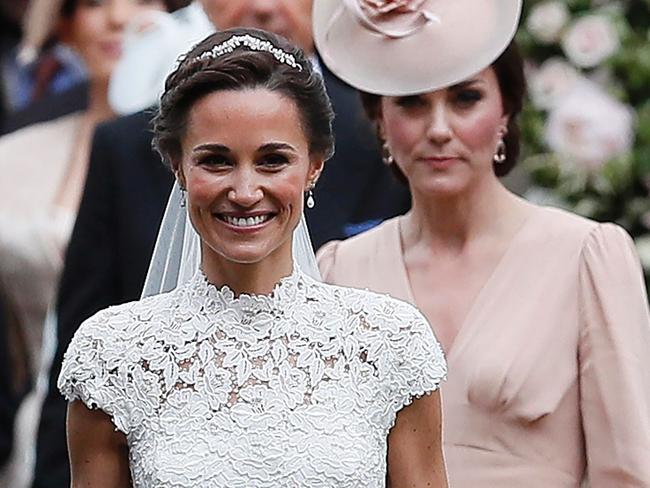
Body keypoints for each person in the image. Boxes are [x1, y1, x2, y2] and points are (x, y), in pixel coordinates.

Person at [33, 1, 411, 485]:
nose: (246, 191)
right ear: (178, 166)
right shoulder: (112, 354)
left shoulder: (390, 344)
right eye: (215, 161)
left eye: (274, 160)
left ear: (314, 164)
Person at [314, 1, 650, 486]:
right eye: (411, 101)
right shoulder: (341, 271)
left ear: (506, 111)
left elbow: (627, 471)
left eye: (465, 98)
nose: (439, 129)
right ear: (380, 121)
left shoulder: (585, 256)